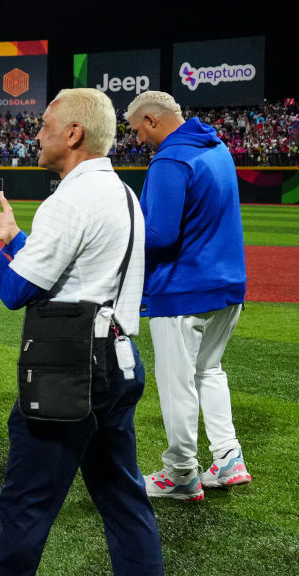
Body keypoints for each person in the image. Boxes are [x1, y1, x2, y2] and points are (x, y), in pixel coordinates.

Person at [0, 88, 162, 576]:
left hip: (69, 368)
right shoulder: (119, 190)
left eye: (45, 124)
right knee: (125, 502)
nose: (35, 133)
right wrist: (12, 238)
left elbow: (18, 289)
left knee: (26, 506)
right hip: (118, 360)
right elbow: (75, 270)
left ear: (73, 133)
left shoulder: (72, 200)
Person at [125, 90, 250, 498]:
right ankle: (228, 458)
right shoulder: (217, 148)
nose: (137, 139)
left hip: (184, 289)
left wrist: (120, 236)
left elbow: (160, 234)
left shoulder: (170, 160)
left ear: (152, 119)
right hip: (228, 284)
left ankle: (180, 472)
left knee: (177, 381)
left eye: (137, 129)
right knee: (209, 371)